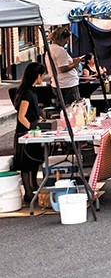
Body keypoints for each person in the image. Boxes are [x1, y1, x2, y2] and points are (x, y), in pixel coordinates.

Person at [12, 62, 46, 204]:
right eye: (42, 75)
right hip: (25, 133)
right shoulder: (26, 93)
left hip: (32, 131)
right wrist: (31, 129)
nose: (43, 78)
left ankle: (34, 186)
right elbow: (21, 116)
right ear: (37, 76)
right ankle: (28, 191)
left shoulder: (31, 90)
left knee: (34, 160)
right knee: (26, 163)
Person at [45, 25, 83, 104]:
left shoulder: (51, 49)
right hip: (67, 84)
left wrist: (71, 61)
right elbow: (63, 68)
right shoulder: (59, 51)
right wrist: (75, 63)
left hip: (59, 83)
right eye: (67, 39)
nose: (67, 42)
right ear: (62, 39)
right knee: (73, 107)